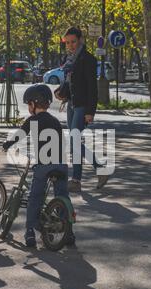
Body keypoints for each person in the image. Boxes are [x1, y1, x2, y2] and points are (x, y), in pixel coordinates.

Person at [3, 84, 75, 247]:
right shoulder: (55, 121)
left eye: (29, 104)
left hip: (44, 166)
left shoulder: (32, 120)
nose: (28, 107)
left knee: (34, 197)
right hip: (61, 165)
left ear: (33, 104)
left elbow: (19, 135)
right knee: (62, 195)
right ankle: (69, 232)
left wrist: (8, 144)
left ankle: (29, 233)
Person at [54, 26, 110, 193]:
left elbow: (93, 88)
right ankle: (78, 180)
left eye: (73, 42)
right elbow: (70, 82)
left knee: (74, 141)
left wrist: (90, 112)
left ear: (80, 41)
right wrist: (61, 91)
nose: (70, 45)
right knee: (75, 142)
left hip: (83, 105)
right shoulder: (69, 59)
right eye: (68, 42)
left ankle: (95, 171)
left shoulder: (88, 59)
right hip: (72, 103)